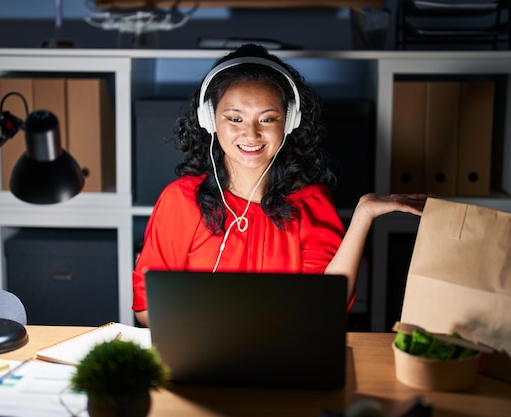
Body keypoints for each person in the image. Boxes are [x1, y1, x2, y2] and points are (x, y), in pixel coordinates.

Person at [133, 44, 427, 327]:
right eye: (234, 118)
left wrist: (363, 215)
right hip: (196, 352)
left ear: (289, 121)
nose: (251, 133)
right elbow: (147, 310)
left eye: (268, 119)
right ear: (209, 119)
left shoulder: (310, 202)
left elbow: (326, 309)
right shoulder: (181, 200)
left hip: (283, 359)